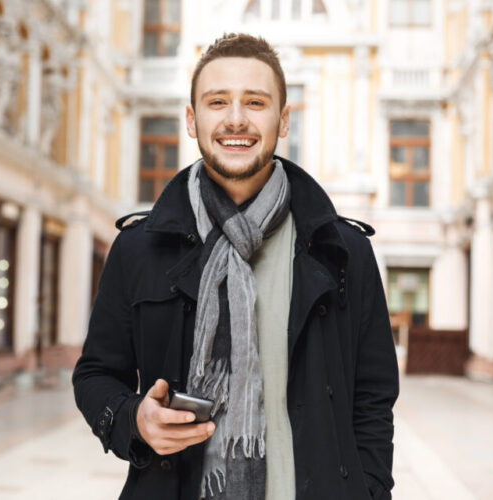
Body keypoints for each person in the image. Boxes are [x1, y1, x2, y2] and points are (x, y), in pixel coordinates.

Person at [73, 33, 399, 500]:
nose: (236, 119)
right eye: (217, 101)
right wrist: (134, 420)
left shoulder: (341, 251)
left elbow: (373, 397)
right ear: (192, 120)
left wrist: (370, 490)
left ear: (283, 120)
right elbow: (95, 375)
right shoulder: (138, 249)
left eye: (256, 102)